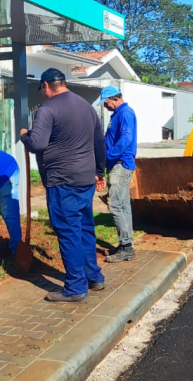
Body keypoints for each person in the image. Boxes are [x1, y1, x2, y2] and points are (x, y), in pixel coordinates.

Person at [20, 68, 107, 302]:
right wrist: (100, 172)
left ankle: (76, 287)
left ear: (47, 86)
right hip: (85, 178)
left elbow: (37, 144)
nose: (43, 94)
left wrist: (24, 135)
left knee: (68, 231)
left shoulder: (47, 109)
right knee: (85, 228)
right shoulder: (87, 107)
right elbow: (99, 142)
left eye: (43, 90)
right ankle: (94, 277)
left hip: (62, 180)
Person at [99, 85, 138, 263]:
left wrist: (110, 155)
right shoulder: (118, 114)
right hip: (119, 164)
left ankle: (126, 247)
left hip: (120, 164)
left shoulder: (125, 114)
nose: (105, 106)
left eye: (106, 102)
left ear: (115, 98)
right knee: (123, 205)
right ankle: (126, 244)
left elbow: (126, 138)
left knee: (114, 205)